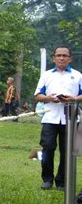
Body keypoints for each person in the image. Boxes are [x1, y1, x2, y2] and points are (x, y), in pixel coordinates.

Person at [34, 46, 82, 191]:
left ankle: (62, 181)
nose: (61, 58)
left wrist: (73, 98)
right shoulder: (47, 75)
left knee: (66, 150)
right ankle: (47, 179)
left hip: (70, 117)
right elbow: (38, 95)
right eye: (59, 55)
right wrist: (48, 98)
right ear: (53, 58)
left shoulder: (78, 75)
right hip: (50, 116)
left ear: (70, 58)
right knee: (47, 147)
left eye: (65, 56)